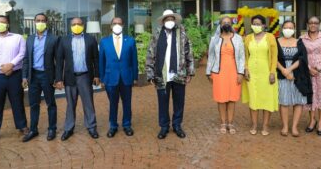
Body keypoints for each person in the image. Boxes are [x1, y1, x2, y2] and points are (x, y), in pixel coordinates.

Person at [146, 9, 195, 139]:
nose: (169, 21)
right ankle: (164, 127)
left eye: (171, 19)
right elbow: (150, 54)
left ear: (175, 20)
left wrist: (190, 71)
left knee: (179, 102)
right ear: (163, 21)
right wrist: (150, 73)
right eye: (167, 19)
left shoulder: (182, 33)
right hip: (162, 75)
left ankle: (177, 125)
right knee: (163, 102)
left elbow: (189, 52)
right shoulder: (157, 34)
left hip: (179, 73)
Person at [0, 15, 28, 145]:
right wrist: (1, 67)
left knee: (18, 103)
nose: (0, 24)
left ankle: (22, 126)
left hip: (14, 76)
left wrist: (11, 65)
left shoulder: (18, 38)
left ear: (7, 24)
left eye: (2, 22)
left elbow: (22, 54)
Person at [55, 17, 100, 141]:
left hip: (85, 76)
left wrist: (97, 75)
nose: (76, 26)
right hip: (70, 77)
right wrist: (58, 79)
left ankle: (91, 127)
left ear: (83, 25)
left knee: (88, 103)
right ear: (70, 26)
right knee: (70, 104)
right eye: (74, 24)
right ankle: (68, 128)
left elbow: (96, 59)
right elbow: (59, 61)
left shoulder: (91, 39)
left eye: (79, 24)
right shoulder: (63, 40)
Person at [22, 13, 59, 142]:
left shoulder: (54, 39)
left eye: (43, 20)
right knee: (33, 104)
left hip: (47, 76)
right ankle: (33, 130)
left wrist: (58, 78)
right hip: (33, 76)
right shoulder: (30, 39)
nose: (40, 22)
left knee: (50, 104)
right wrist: (24, 77)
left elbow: (58, 61)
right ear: (34, 22)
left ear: (46, 22)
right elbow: (26, 59)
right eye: (38, 20)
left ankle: (52, 129)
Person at [99, 17, 138, 138]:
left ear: (123, 25)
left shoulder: (130, 41)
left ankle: (127, 125)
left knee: (127, 103)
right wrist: (102, 78)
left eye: (119, 23)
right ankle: (113, 126)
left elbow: (134, 60)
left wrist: (135, 77)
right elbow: (102, 61)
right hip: (111, 78)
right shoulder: (104, 41)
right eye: (114, 23)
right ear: (111, 26)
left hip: (126, 77)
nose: (117, 25)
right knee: (113, 103)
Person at [206, 16, 245, 134]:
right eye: (224, 22)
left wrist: (241, 72)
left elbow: (242, 57)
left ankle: (231, 123)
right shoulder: (214, 39)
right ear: (220, 24)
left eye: (228, 22)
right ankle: (223, 122)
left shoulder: (238, 38)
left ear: (232, 24)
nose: (226, 24)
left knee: (232, 99)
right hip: (219, 72)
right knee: (221, 99)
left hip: (234, 71)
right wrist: (208, 72)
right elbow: (211, 56)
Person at [242, 15, 278, 136]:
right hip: (251, 73)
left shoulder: (270, 37)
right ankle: (254, 124)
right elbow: (245, 56)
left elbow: (274, 56)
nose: (256, 26)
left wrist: (272, 72)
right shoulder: (247, 38)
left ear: (263, 25)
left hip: (266, 72)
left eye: (258, 24)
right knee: (253, 98)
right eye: (254, 24)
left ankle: (265, 125)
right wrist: (246, 69)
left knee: (266, 99)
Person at [277, 20, 312, 137]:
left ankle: (294, 127)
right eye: (286, 27)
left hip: (297, 75)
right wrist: (284, 70)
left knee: (298, 101)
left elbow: (302, 58)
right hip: (282, 74)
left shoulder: (299, 42)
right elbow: (273, 58)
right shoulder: (277, 41)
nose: (288, 29)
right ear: (282, 28)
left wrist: (290, 69)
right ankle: (285, 126)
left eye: (290, 27)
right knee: (284, 101)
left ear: (294, 29)